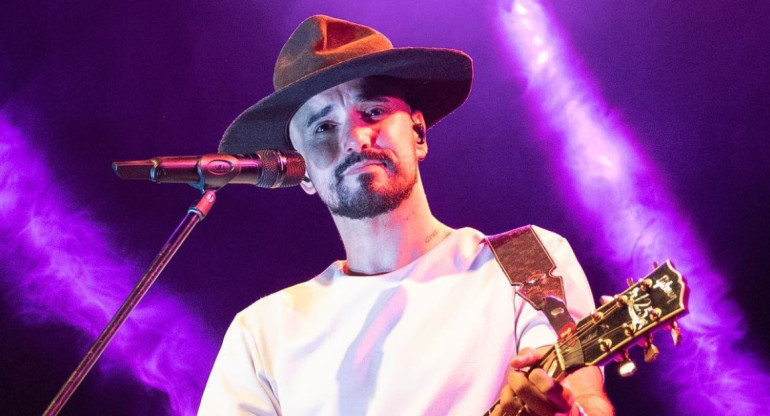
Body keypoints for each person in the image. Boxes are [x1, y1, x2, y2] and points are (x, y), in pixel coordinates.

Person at [198, 15, 614, 416]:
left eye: (373, 111)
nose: (356, 136)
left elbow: (583, 394)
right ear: (300, 172)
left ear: (418, 133)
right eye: (323, 128)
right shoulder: (262, 334)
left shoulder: (526, 258)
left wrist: (563, 407)